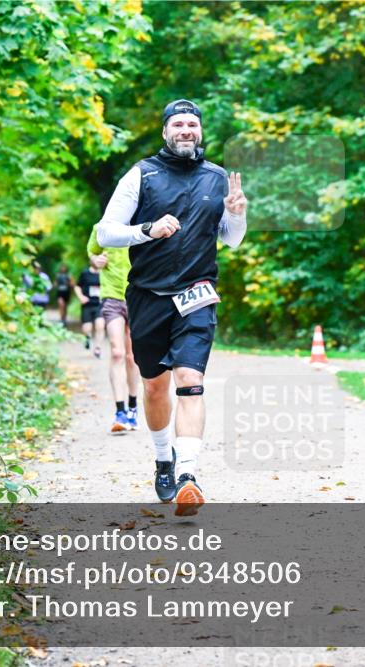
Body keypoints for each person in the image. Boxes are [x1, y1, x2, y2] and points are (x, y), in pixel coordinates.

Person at [96, 99, 247, 516]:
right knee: (154, 386)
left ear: (200, 131)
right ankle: (164, 458)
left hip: (196, 294)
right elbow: (106, 233)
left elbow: (231, 240)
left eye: (192, 125)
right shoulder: (142, 175)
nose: (186, 130)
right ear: (165, 131)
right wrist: (148, 229)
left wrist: (237, 215)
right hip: (147, 296)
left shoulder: (218, 178)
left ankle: (188, 474)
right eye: (178, 124)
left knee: (190, 380)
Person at [85, 226, 140, 433]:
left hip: (137, 295)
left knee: (132, 356)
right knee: (117, 353)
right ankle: (120, 412)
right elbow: (92, 252)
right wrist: (95, 260)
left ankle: (133, 407)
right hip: (112, 297)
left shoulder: (142, 221)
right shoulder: (103, 227)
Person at [75, 261, 105, 358]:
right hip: (87, 304)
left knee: (100, 325)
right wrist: (81, 297)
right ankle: (87, 339)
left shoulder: (105, 273)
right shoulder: (85, 273)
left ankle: (98, 348)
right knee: (87, 328)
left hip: (99, 304)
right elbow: (77, 286)